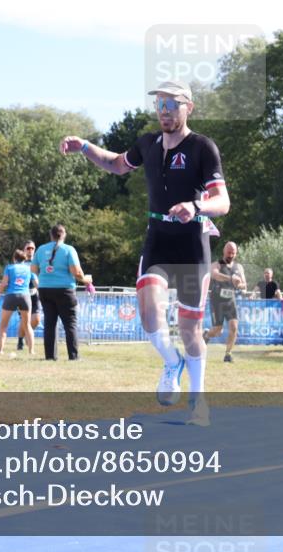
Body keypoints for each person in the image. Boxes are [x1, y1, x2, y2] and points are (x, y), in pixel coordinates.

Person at [59, 80, 229, 426]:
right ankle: (171, 363)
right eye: (160, 104)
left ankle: (197, 403)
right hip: (157, 239)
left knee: (190, 329)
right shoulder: (147, 143)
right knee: (150, 315)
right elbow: (117, 164)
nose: (165, 110)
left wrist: (196, 206)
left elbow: (222, 202)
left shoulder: (202, 147)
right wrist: (85, 147)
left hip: (191, 244)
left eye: (173, 103)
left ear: (189, 107)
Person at [30, 223, 91, 361]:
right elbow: (76, 272)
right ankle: (73, 356)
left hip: (45, 289)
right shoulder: (69, 250)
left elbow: (33, 270)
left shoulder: (40, 249)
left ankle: (50, 356)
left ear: (51, 235)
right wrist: (86, 280)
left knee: (50, 324)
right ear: (64, 235)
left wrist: (46, 274)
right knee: (70, 324)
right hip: (65, 290)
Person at [203, 241, 246, 363]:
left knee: (234, 327)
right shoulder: (216, 264)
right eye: (229, 252)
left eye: (233, 253)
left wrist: (240, 285)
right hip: (217, 300)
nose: (230, 255)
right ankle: (206, 335)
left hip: (230, 300)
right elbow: (215, 275)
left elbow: (244, 285)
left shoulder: (239, 267)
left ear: (236, 253)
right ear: (224, 251)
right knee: (218, 330)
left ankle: (228, 354)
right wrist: (231, 279)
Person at [0, 249, 34, 355]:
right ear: (24, 259)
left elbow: (4, 283)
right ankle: (31, 351)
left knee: (3, 325)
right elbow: (36, 282)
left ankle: (0, 350)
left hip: (11, 295)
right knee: (27, 325)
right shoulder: (29, 269)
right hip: (25, 296)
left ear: (14, 258)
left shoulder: (10, 268)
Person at [17, 240, 40, 351]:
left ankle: (27, 334)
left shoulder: (38, 262)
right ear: (23, 250)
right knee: (24, 320)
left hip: (35, 294)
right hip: (23, 294)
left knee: (37, 319)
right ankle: (20, 341)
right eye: (28, 248)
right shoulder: (20, 263)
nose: (31, 250)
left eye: (32, 248)